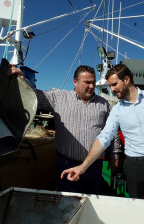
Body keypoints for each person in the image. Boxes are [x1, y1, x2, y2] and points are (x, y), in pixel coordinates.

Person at [61, 63, 144, 201]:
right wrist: (82, 167)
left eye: (114, 84)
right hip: (134, 169)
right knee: (138, 210)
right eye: (109, 86)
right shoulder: (117, 110)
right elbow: (104, 138)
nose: (112, 89)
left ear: (126, 80)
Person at [9, 64, 120, 194]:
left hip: (93, 166)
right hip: (67, 164)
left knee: (92, 202)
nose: (92, 86)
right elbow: (34, 96)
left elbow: (112, 132)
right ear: (75, 82)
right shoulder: (58, 98)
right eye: (87, 82)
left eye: (93, 82)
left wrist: (115, 155)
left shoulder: (103, 103)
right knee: (68, 202)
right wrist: (22, 80)